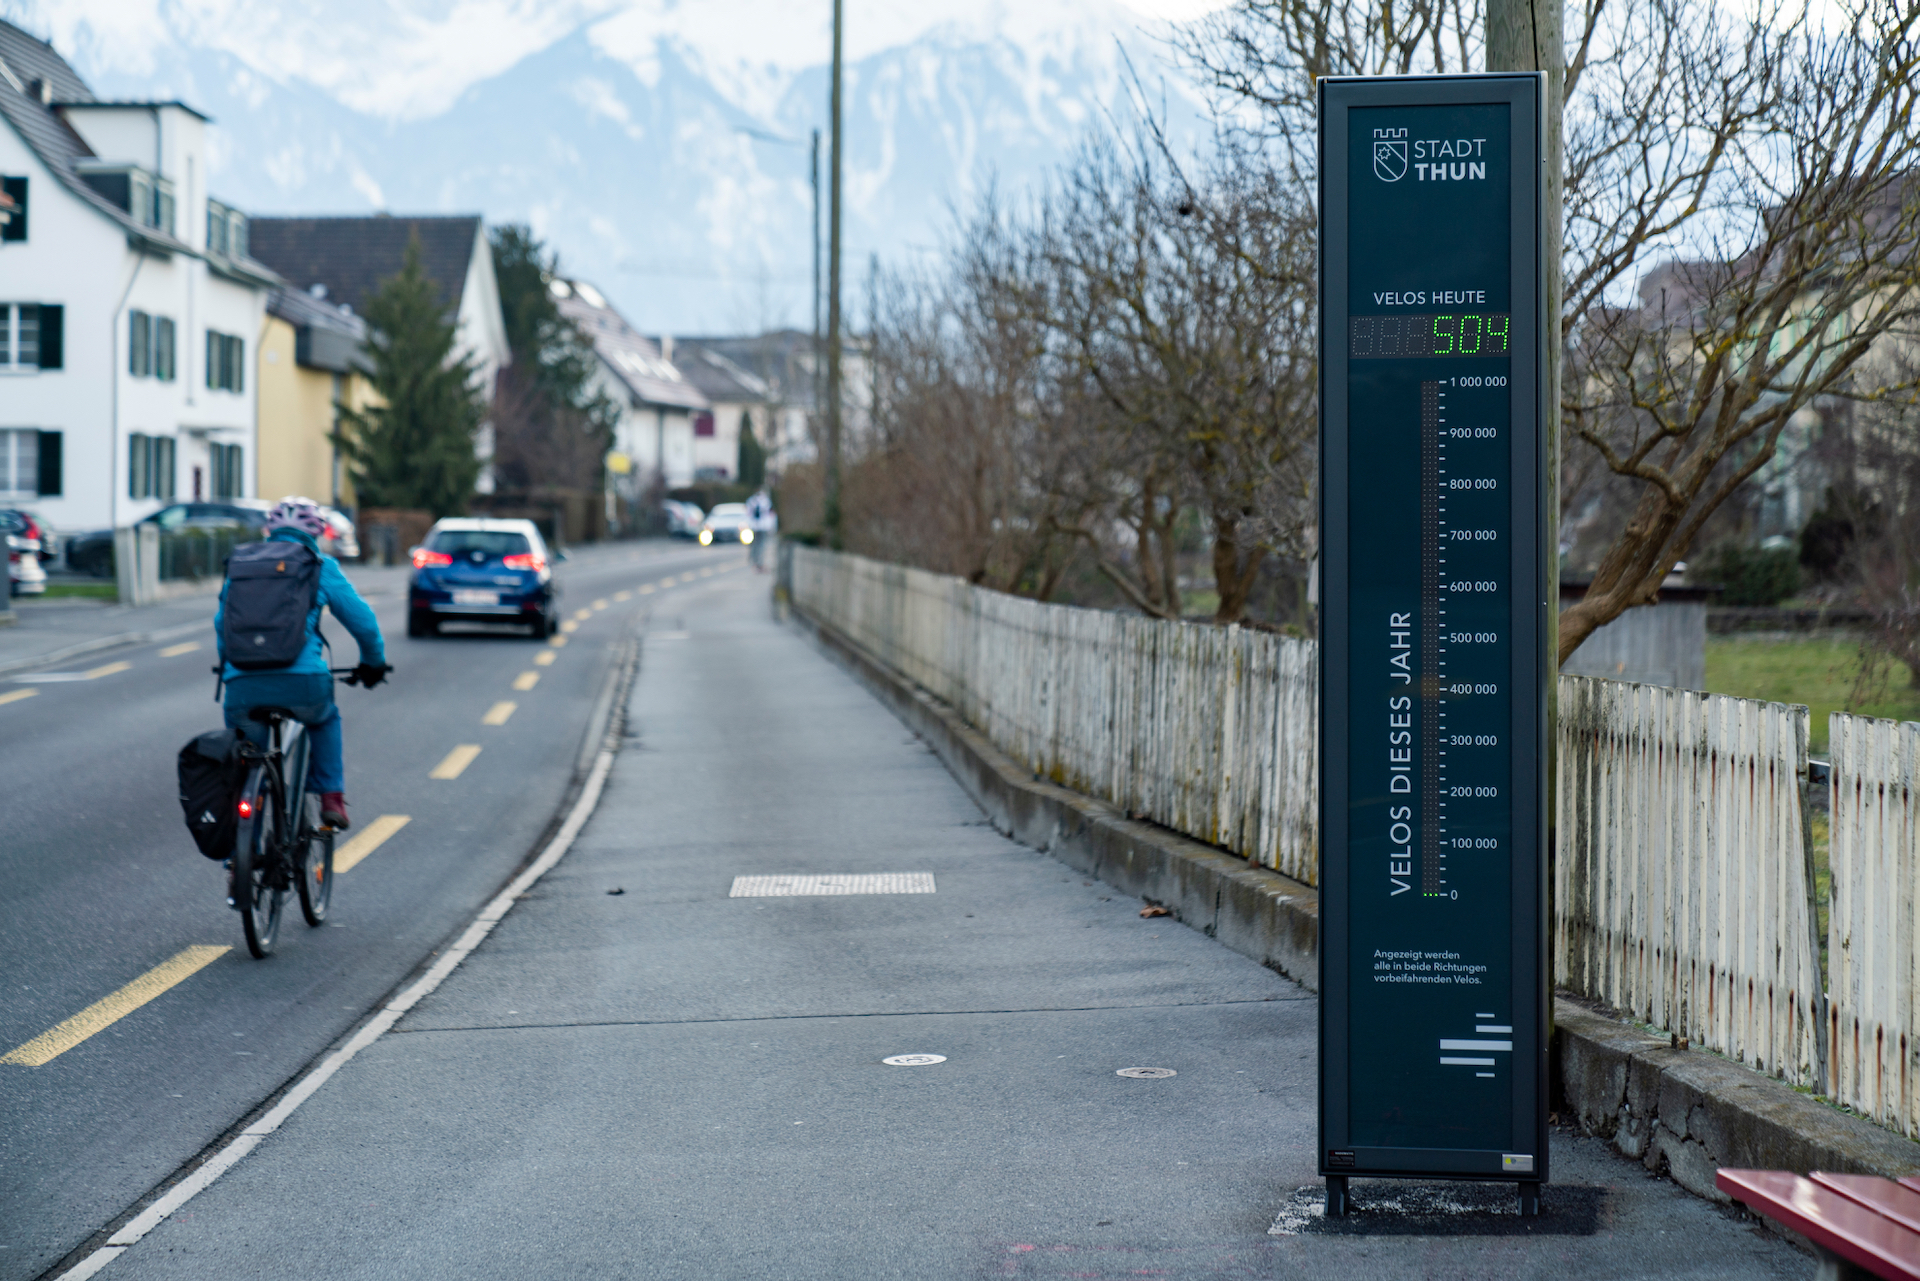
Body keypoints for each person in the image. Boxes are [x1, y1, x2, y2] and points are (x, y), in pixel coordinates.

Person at [215, 497, 387, 836]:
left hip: (242, 686)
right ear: (318, 532)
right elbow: (364, 624)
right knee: (324, 719)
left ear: (269, 530)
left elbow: (223, 625)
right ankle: (331, 798)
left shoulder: (241, 565)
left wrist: (230, 667)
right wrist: (373, 663)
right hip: (304, 684)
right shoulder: (320, 566)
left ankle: (238, 859)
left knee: (247, 760)